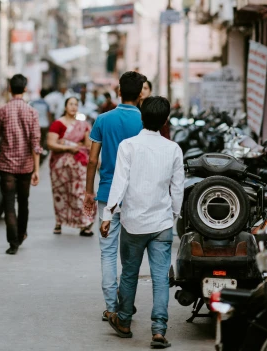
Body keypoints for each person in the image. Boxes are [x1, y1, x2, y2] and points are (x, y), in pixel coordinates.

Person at [101, 96, 184, 349]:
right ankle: (159, 330)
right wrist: (173, 217)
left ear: (142, 117)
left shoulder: (128, 146)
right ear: (165, 120)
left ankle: (124, 321)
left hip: (133, 222)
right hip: (161, 224)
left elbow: (119, 184)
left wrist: (107, 215)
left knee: (129, 274)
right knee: (160, 278)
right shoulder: (173, 149)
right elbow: (178, 189)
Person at [84, 70, 145, 321]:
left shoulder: (103, 120)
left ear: (119, 91)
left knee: (107, 251)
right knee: (131, 253)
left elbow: (91, 160)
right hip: (137, 195)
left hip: (107, 193)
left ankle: (111, 306)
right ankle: (126, 303)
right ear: (141, 93)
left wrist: (89, 191)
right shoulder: (145, 121)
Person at [0, 74, 42, 255]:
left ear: (10, 89)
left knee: (9, 204)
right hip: (26, 165)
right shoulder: (32, 112)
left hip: (7, 165)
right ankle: (21, 234)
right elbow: (36, 143)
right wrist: (36, 169)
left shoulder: (1, 111)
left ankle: (13, 243)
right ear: (25, 89)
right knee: (24, 202)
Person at [47, 96, 96, 236]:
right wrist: (68, 147)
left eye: (76, 104)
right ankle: (59, 222)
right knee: (61, 194)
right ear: (65, 107)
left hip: (79, 165)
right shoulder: (58, 124)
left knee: (80, 193)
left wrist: (68, 143)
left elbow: (88, 145)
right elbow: (51, 144)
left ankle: (84, 223)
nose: (73, 107)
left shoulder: (83, 125)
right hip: (60, 167)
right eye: (70, 104)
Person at [30, 89, 51, 156]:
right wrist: (50, 123)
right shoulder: (46, 103)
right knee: (42, 139)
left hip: (36, 124)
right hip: (44, 124)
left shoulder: (34, 102)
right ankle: (40, 152)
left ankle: (35, 152)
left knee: (35, 140)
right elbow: (48, 115)